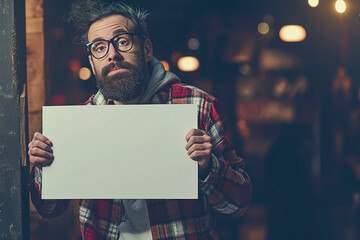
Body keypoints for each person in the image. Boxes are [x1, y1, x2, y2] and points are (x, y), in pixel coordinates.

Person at [28, 1, 252, 239]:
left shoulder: (198, 107)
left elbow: (238, 205)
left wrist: (207, 167)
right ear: (92, 63)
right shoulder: (80, 122)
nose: (112, 54)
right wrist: (44, 167)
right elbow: (49, 209)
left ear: (146, 49)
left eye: (122, 41)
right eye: (99, 47)